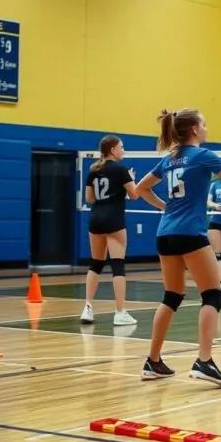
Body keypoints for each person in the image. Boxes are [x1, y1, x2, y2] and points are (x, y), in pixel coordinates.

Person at [134, 108, 221, 386]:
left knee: (172, 295)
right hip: (190, 233)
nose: (207, 129)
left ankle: (152, 361)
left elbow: (140, 189)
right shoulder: (202, 156)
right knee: (214, 293)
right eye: (204, 124)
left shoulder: (170, 159)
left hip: (165, 232)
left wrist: (166, 208)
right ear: (194, 130)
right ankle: (204, 361)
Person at [80, 135, 139, 326]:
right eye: (121, 147)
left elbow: (89, 199)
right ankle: (120, 312)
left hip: (96, 219)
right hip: (114, 220)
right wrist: (132, 180)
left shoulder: (93, 171)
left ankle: (88, 308)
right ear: (113, 149)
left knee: (96, 264)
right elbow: (135, 195)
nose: (123, 150)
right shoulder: (121, 170)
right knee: (117, 265)